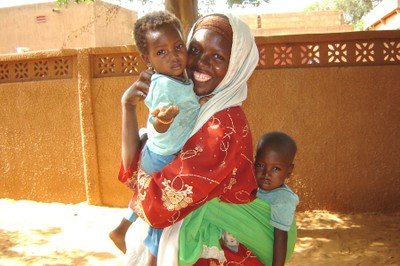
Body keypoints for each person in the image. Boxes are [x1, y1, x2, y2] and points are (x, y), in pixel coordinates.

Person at [118, 13, 296, 265]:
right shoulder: (192, 107)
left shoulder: (223, 124)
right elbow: (137, 172)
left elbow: (157, 200)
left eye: (218, 57)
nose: (201, 63)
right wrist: (127, 106)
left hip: (219, 250)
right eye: (195, 49)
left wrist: (144, 168)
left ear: (235, 65)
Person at [109, 10, 200, 265]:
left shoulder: (179, 77)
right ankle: (150, 260)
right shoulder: (163, 85)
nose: (173, 55)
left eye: (178, 46)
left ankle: (121, 228)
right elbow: (158, 122)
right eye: (161, 52)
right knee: (163, 216)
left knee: (146, 195)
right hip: (162, 158)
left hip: (157, 154)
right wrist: (163, 120)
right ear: (146, 58)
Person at [254, 131, 299, 266]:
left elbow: (280, 238)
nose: (266, 174)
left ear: (289, 170)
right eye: (260, 165)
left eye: (276, 169)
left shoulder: (282, 199)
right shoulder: (252, 185)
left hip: (271, 253)